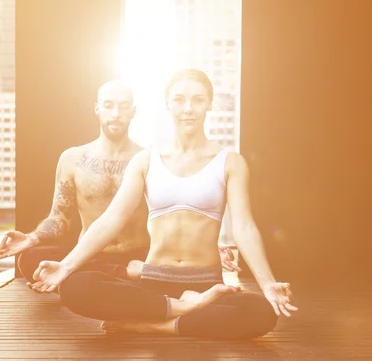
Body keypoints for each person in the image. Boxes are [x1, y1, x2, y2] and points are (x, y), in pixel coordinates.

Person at [28, 69, 297, 340]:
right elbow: (111, 220)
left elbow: (245, 227)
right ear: (168, 103)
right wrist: (65, 266)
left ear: (210, 104)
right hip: (154, 281)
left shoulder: (230, 162)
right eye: (179, 99)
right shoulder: (146, 161)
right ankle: (182, 309)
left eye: (198, 100)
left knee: (263, 311)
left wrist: (268, 283)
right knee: (74, 286)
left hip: (204, 282)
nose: (188, 109)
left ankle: (157, 325)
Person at [0, 80, 238, 283]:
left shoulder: (151, 159)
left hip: (142, 256)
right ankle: (118, 278)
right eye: (108, 105)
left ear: (133, 111)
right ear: (97, 109)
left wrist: (206, 248)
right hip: (91, 255)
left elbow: (176, 213)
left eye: (123, 107)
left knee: (86, 281)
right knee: (30, 259)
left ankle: (106, 281)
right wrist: (32, 238)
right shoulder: (72, 159)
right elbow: (60, 218)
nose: (115, 114)